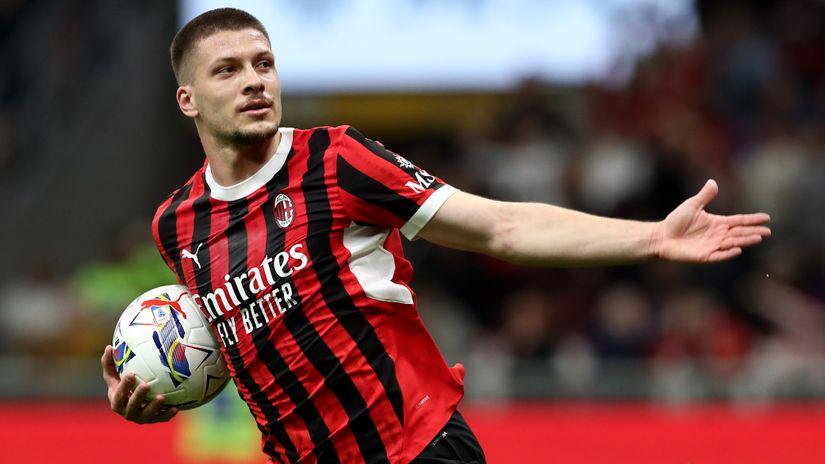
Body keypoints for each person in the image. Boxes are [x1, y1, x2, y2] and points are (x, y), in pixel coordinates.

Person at [100, 8, 771, 464]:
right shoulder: (176, 225)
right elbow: (242, 353)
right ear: (187, 99)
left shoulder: (337, 161)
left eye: (263, 63)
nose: (254, 81)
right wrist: (159, 397)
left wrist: (651, 237)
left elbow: (501, 226)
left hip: (416, 451)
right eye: (228, 70)